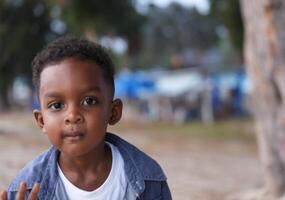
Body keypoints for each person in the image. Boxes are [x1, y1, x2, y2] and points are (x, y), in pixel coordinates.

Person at [0, 36, 172, 200]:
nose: (72, 116)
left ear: (114, 112)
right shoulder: (26, 190)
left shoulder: (149, 180)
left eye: (89, 101)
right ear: (41, 120)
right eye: (57, 105)